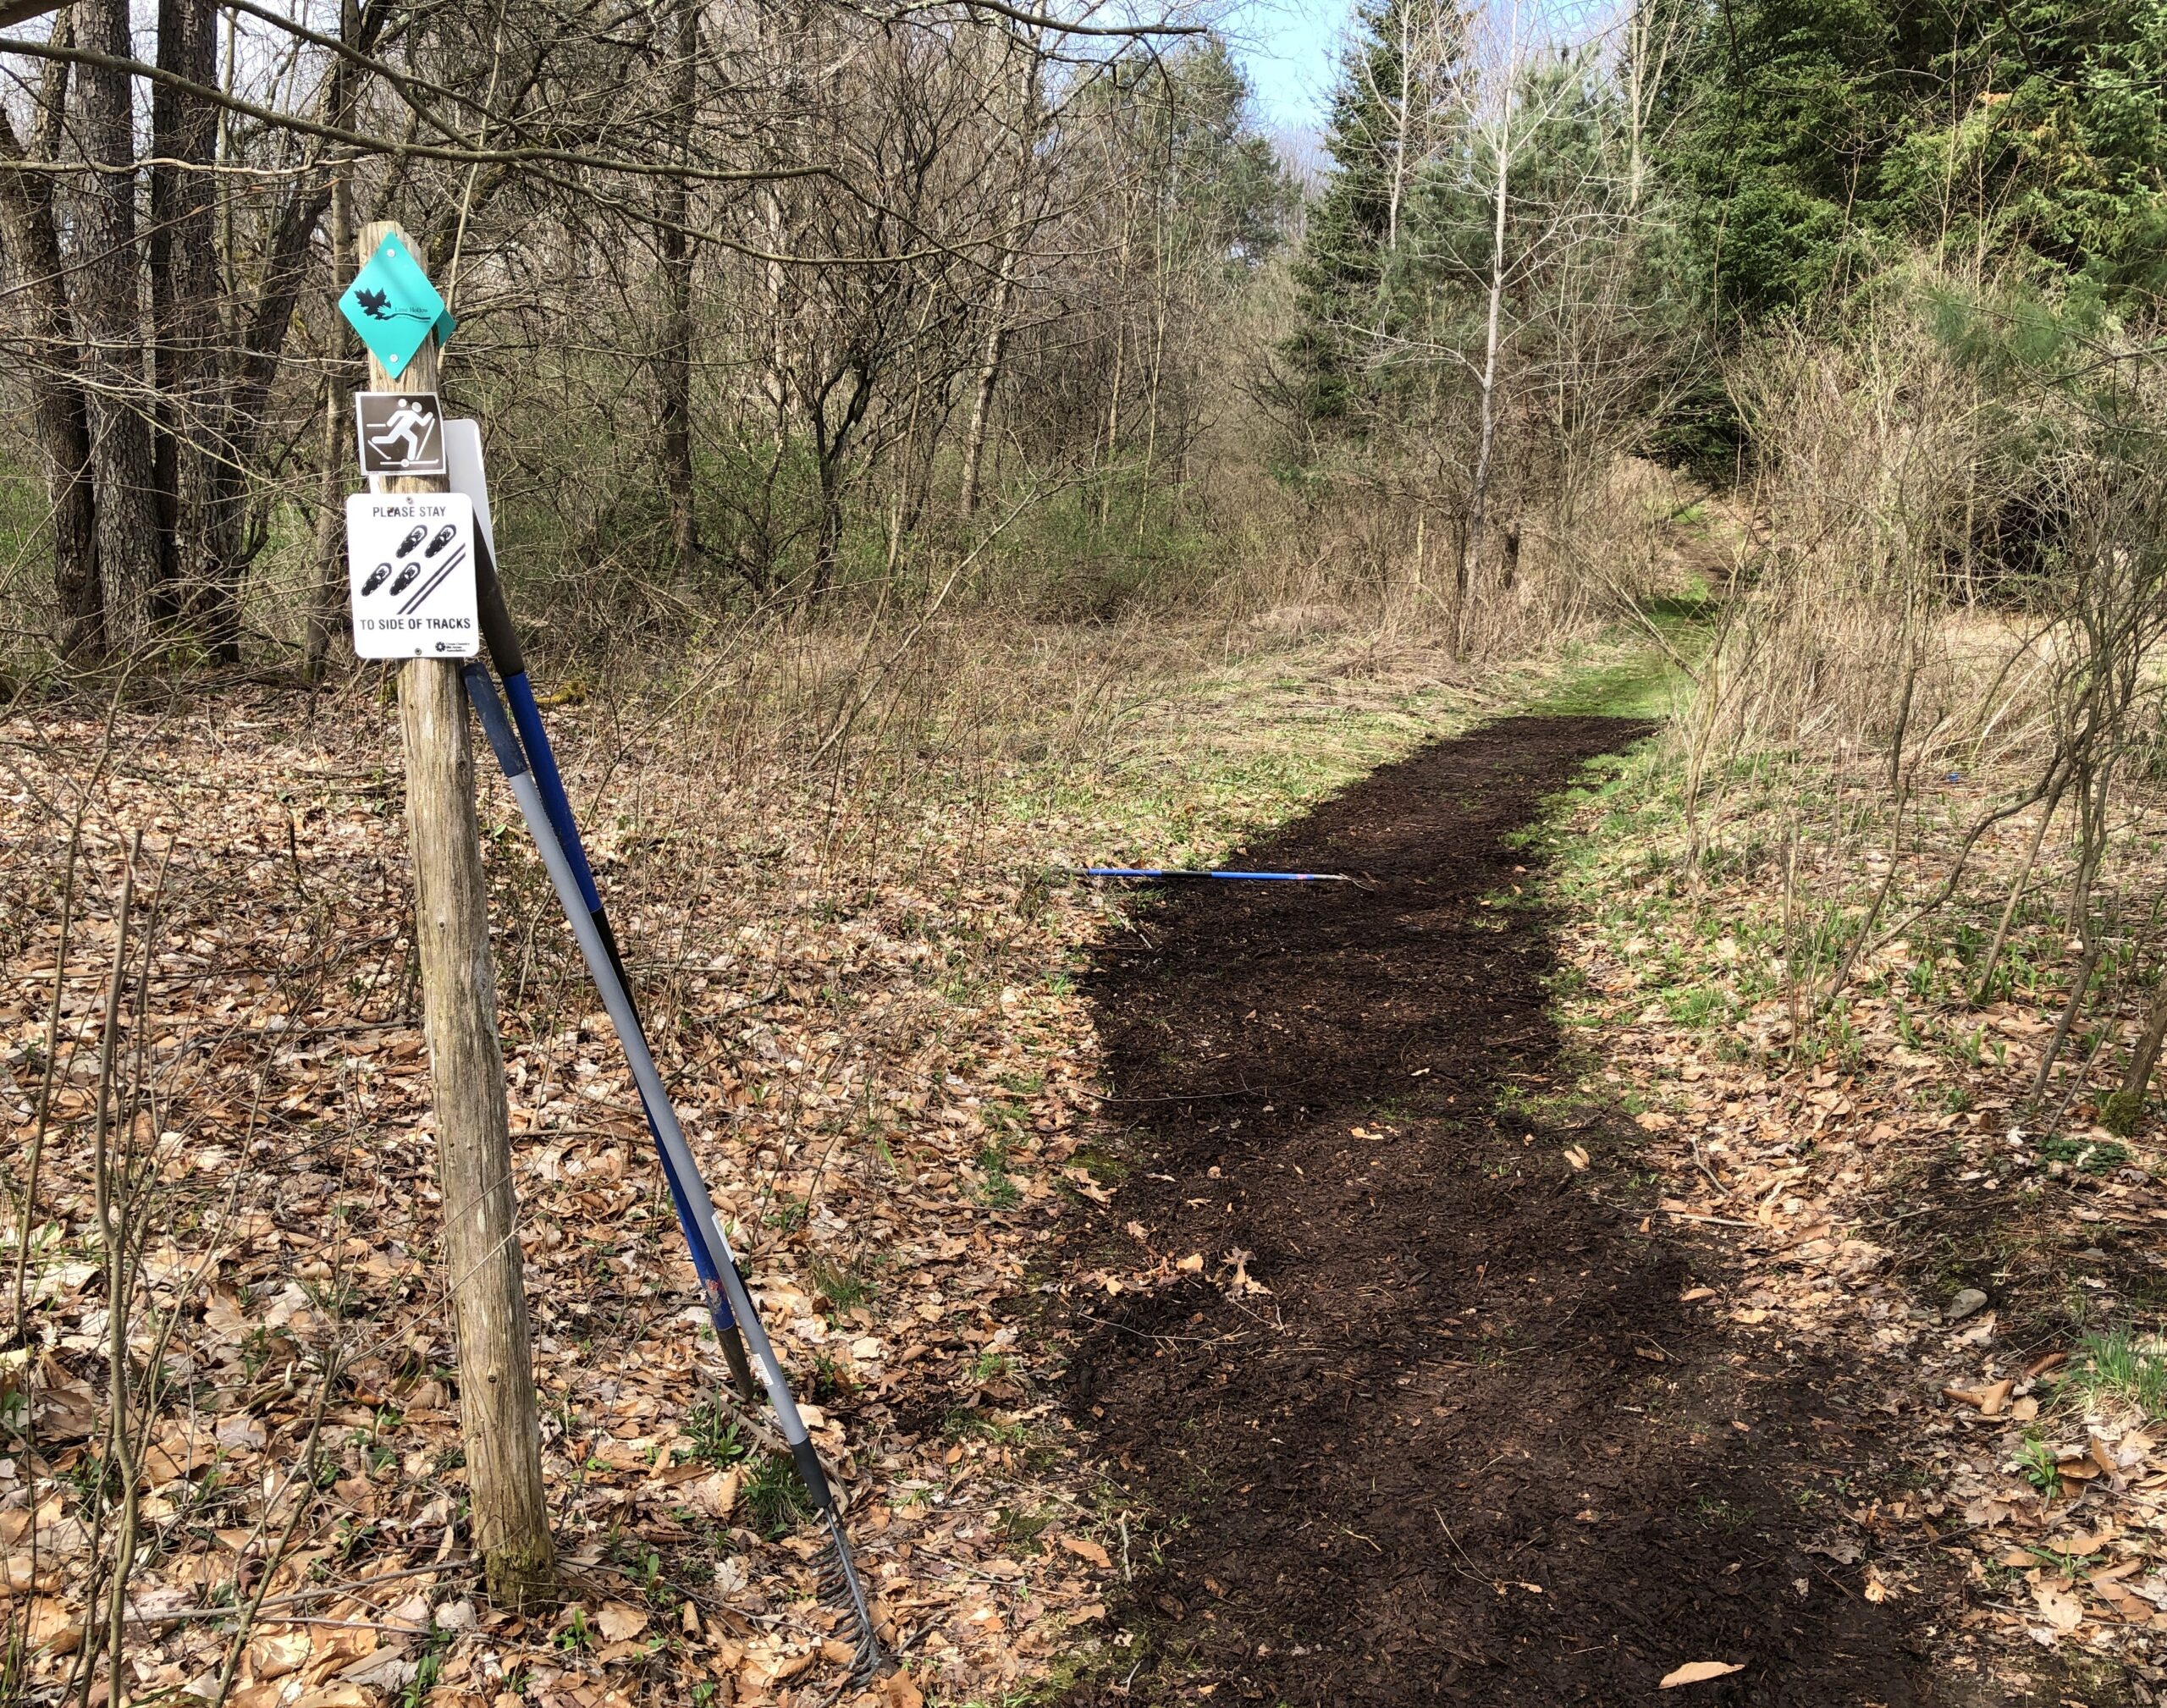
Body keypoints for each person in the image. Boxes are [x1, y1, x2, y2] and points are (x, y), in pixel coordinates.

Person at [369, 400, 436, 466]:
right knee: (391, 439)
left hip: (404, 429)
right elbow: (398, 414)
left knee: (412, 439)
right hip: (400, 428)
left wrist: (429, 415)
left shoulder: (414, 415)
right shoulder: (410, 413)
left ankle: (411, 457)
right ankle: (375, 440)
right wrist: (390, 423)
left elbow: (422, 423)